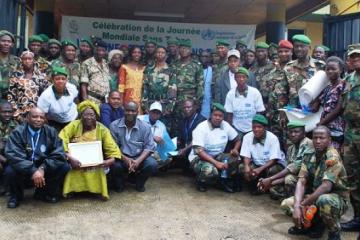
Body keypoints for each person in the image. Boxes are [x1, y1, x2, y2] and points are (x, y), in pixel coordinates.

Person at [281, 126, 349, 240]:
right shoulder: (309, 154)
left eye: (322, 138)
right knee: (287, 204)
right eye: (315, 138)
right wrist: (297, 206)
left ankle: (334, 232)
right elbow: (301, 181)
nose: (318, 141)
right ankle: (307, 225)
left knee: (324, 200)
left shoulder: (333, 157)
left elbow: (326, 187)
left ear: (329, 140)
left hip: (335, 199)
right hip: (315, 196)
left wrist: (304, 204)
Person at [4, 107, 70, 208]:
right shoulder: (18, 132)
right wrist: (33, 170)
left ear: (45, 119)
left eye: (41, 117)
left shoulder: (51, 131)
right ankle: (16, 196)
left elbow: (59, 153)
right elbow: (14, 155)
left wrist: (43, 168)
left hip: (43, 166)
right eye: (35, 117)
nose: (38, 119)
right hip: (25, 166)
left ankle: (42, 193)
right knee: (10, 170)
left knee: (64, 166)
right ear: (27, 118)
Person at [59, 100, 121, 199]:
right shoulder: (74, 125)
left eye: (92, 115)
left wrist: (110, 160)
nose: (89, 117)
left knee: (99, 169)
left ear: (96, 116)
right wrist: (69, 156)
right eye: (85, 114)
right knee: (68, 167)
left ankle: (96, 190)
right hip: (75, 160)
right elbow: (62, 138)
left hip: (95, 162)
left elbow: (111, 147)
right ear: (81, 116)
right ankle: (72, 190)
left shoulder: (102, 129)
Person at [189, 103, 241, 193]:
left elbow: (238, 139)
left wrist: (235, 149)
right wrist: (216, 163)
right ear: (210, 115)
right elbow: (199, 151)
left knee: (236, 158)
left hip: (217, 155)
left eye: (220, 116)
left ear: (223, 117)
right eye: (215, 115)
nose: (217, 118)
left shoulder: (225, 125)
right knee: (210, 170)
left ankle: (221, 181)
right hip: (199, 158)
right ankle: (201, 181)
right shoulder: (201, 128)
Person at [258, 120, 313, 200]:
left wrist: (270, 180)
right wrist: (271, 183)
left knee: (289, 179)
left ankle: (296, 201)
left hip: (310, 180)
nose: (293, 134)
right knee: (274, 189)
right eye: (291, 132)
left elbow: (295, 167)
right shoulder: (291, 148)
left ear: (304, 133)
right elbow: (289, 171)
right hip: (298, 178)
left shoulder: (307, 143)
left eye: (296, 132)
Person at [109, 101, 157, 192]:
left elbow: (149, 147)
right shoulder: (114, 126)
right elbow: (112, 147)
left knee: (152, 164)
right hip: (121, 157)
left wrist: (138, 161)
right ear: (123, 110)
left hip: (138, 158)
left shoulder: (145, 127)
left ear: (137, 112)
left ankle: (139, 183)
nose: (130, 113)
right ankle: (120, 183)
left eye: (133, 111)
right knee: (114, 165)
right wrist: (125, 159)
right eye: (127, 110)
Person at [340, 43, 360, 234]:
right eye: (352, 57)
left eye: (358, 57)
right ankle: (357, 217)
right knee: (352, 177)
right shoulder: (348, 79)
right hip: (350, 134)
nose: (355, 60)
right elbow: (342, 105)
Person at [239, 114, 284, 194]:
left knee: (273, 170)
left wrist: (260, 169)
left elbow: (274, 160)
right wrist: (247, 167)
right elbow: (246, 155)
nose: (256, 129)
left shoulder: (273, 138)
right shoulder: (247, 137)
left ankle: (268, 186)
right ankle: (255, 184)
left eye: (259, 127)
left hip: (270, 166)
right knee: (242, 167)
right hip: (257, 165)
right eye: (254, 127)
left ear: (265, 128)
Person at [311, 56, 346, 153]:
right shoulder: (328, 87)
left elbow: (339, 109)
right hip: (324, 129)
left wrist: (321, 123)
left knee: (333, 156)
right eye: (327, 69)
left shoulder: (343, 85)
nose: (330, 71)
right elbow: (314, 107)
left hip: (336, 129)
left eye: (333, 69)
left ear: (341, 70)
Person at [171, 39, 204, 136]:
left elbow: (200, 85)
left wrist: (197, 103)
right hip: (176, 100)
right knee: (176, 125)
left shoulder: (196, 65)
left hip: (190, 100)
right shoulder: (174, 64)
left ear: (190, 50)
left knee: (190, 125)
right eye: (181, 48)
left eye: (186, 48)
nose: (183, 50)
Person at [285, 34, 325, 108]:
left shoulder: (320, 66)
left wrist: (318, 102)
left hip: (314, 109)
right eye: (296, 46)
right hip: (293, 109)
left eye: (302, 46)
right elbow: (284, 89)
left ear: (309, 47)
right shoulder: (288, 67)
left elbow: (327, 87)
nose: (299, 49)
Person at [8, 51, 49, 121]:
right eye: (25, 59)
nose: (27, 61)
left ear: (34, 60)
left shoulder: (41, 76)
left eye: (30, 59)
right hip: (21, 115)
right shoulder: (15, 75)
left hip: (38, 115)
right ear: (21, 60)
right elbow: (11, 97)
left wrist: (43, 114)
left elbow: (47, 96)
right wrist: (18, 115)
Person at [225, 67, 265, 140]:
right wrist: (231, 132)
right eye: (238, 77)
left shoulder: (255, 92)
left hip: (253, 128)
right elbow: (229, 115)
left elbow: (260, 112)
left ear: (247, 78)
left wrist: (256, 128)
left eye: (243, 77)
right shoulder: (230, 94)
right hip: (237, 128)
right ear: (235, 78)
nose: (241, 79)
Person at [37, 66, 78, 131]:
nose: (60, 81)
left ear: (66, 80)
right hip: (54, 122)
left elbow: (75, 99)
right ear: (52, 80)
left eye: (63, 79)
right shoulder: (46, 95)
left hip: (72, 118)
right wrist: (50, 129)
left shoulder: (72, 88)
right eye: (57, 79)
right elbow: (42, 115)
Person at [264, 40, 294, 129]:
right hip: (273, 116)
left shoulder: (295, 70)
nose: (283, 54)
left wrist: (286, 111)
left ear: (291, 52)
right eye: (280, 51)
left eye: (286, 51)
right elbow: (267, 93)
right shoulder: (272, 72)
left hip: (290, 115)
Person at [141, 46, 176, 119]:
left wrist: (169, 108)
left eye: (162, 52)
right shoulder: (149, 69)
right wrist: (145, 106)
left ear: (166, 55)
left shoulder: (170, 70)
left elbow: (172, 90)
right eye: (158, 52)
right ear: (155, 54)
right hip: (150, 103)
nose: (160, 54)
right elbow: (145, 88)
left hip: (164, 104)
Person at [138, 101, 176, 168]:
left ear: (160, 114)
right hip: (138, 147)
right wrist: (152, 137)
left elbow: (166, 143)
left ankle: (150, 167)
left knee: (168, 157)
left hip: (152, 151)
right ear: (149, 112)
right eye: (153, 112)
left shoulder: (161, 125)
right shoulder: (139, 119)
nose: (155, 114)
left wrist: (162, 142)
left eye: (158, 113)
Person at [176, 99, 206, 171]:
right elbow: (181, 136)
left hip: (197, 150)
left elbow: (198, 140)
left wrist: (184, 149)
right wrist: (178, 142)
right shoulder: (183, 120)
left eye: (189, 107)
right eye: (184, 107)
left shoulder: (202, 120)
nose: (186, 109)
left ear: (195, 107)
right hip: (185, 150)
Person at [80, 40, 110, 104]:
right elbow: (83, 85)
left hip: (105, 101)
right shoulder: (87, 63)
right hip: (92, 99)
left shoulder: (106, 63)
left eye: (103, 51)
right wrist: (85, 101)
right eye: (98, 50)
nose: (101, 53)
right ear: (94, 50)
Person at [0, 101, 18, 194]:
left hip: (10, 155)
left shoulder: (16, 126)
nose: (7, 114)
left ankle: (7, 186)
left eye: (9, 112)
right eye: (4, 112)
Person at [0, 30, 20, 99]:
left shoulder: (17, 61)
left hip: (11, 98)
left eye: (9, 41)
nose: (6, 43)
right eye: (3, 41)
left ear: (12, 44)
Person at [199, 50, 213, 118]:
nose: (204, 58)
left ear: (210, 58)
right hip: (196, 103)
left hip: (207, 103)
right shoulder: (194, 69)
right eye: (202, 56)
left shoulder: (213, 70)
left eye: (206, 56)